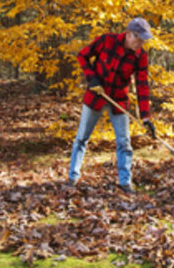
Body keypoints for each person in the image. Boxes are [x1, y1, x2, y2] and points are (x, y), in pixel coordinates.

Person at [67, 17, 156, 194]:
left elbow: (142, 86)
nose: (141, 44)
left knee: (124, 142)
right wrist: (91, 78)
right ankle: (72, 177)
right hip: (96, 96)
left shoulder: (140, 56)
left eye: (143, 40)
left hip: (119, 101)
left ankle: (125, 182)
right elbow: (82, 55)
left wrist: (146, 117)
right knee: (82, 138)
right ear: (130, 34)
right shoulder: (106, 41)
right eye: (139, 39)